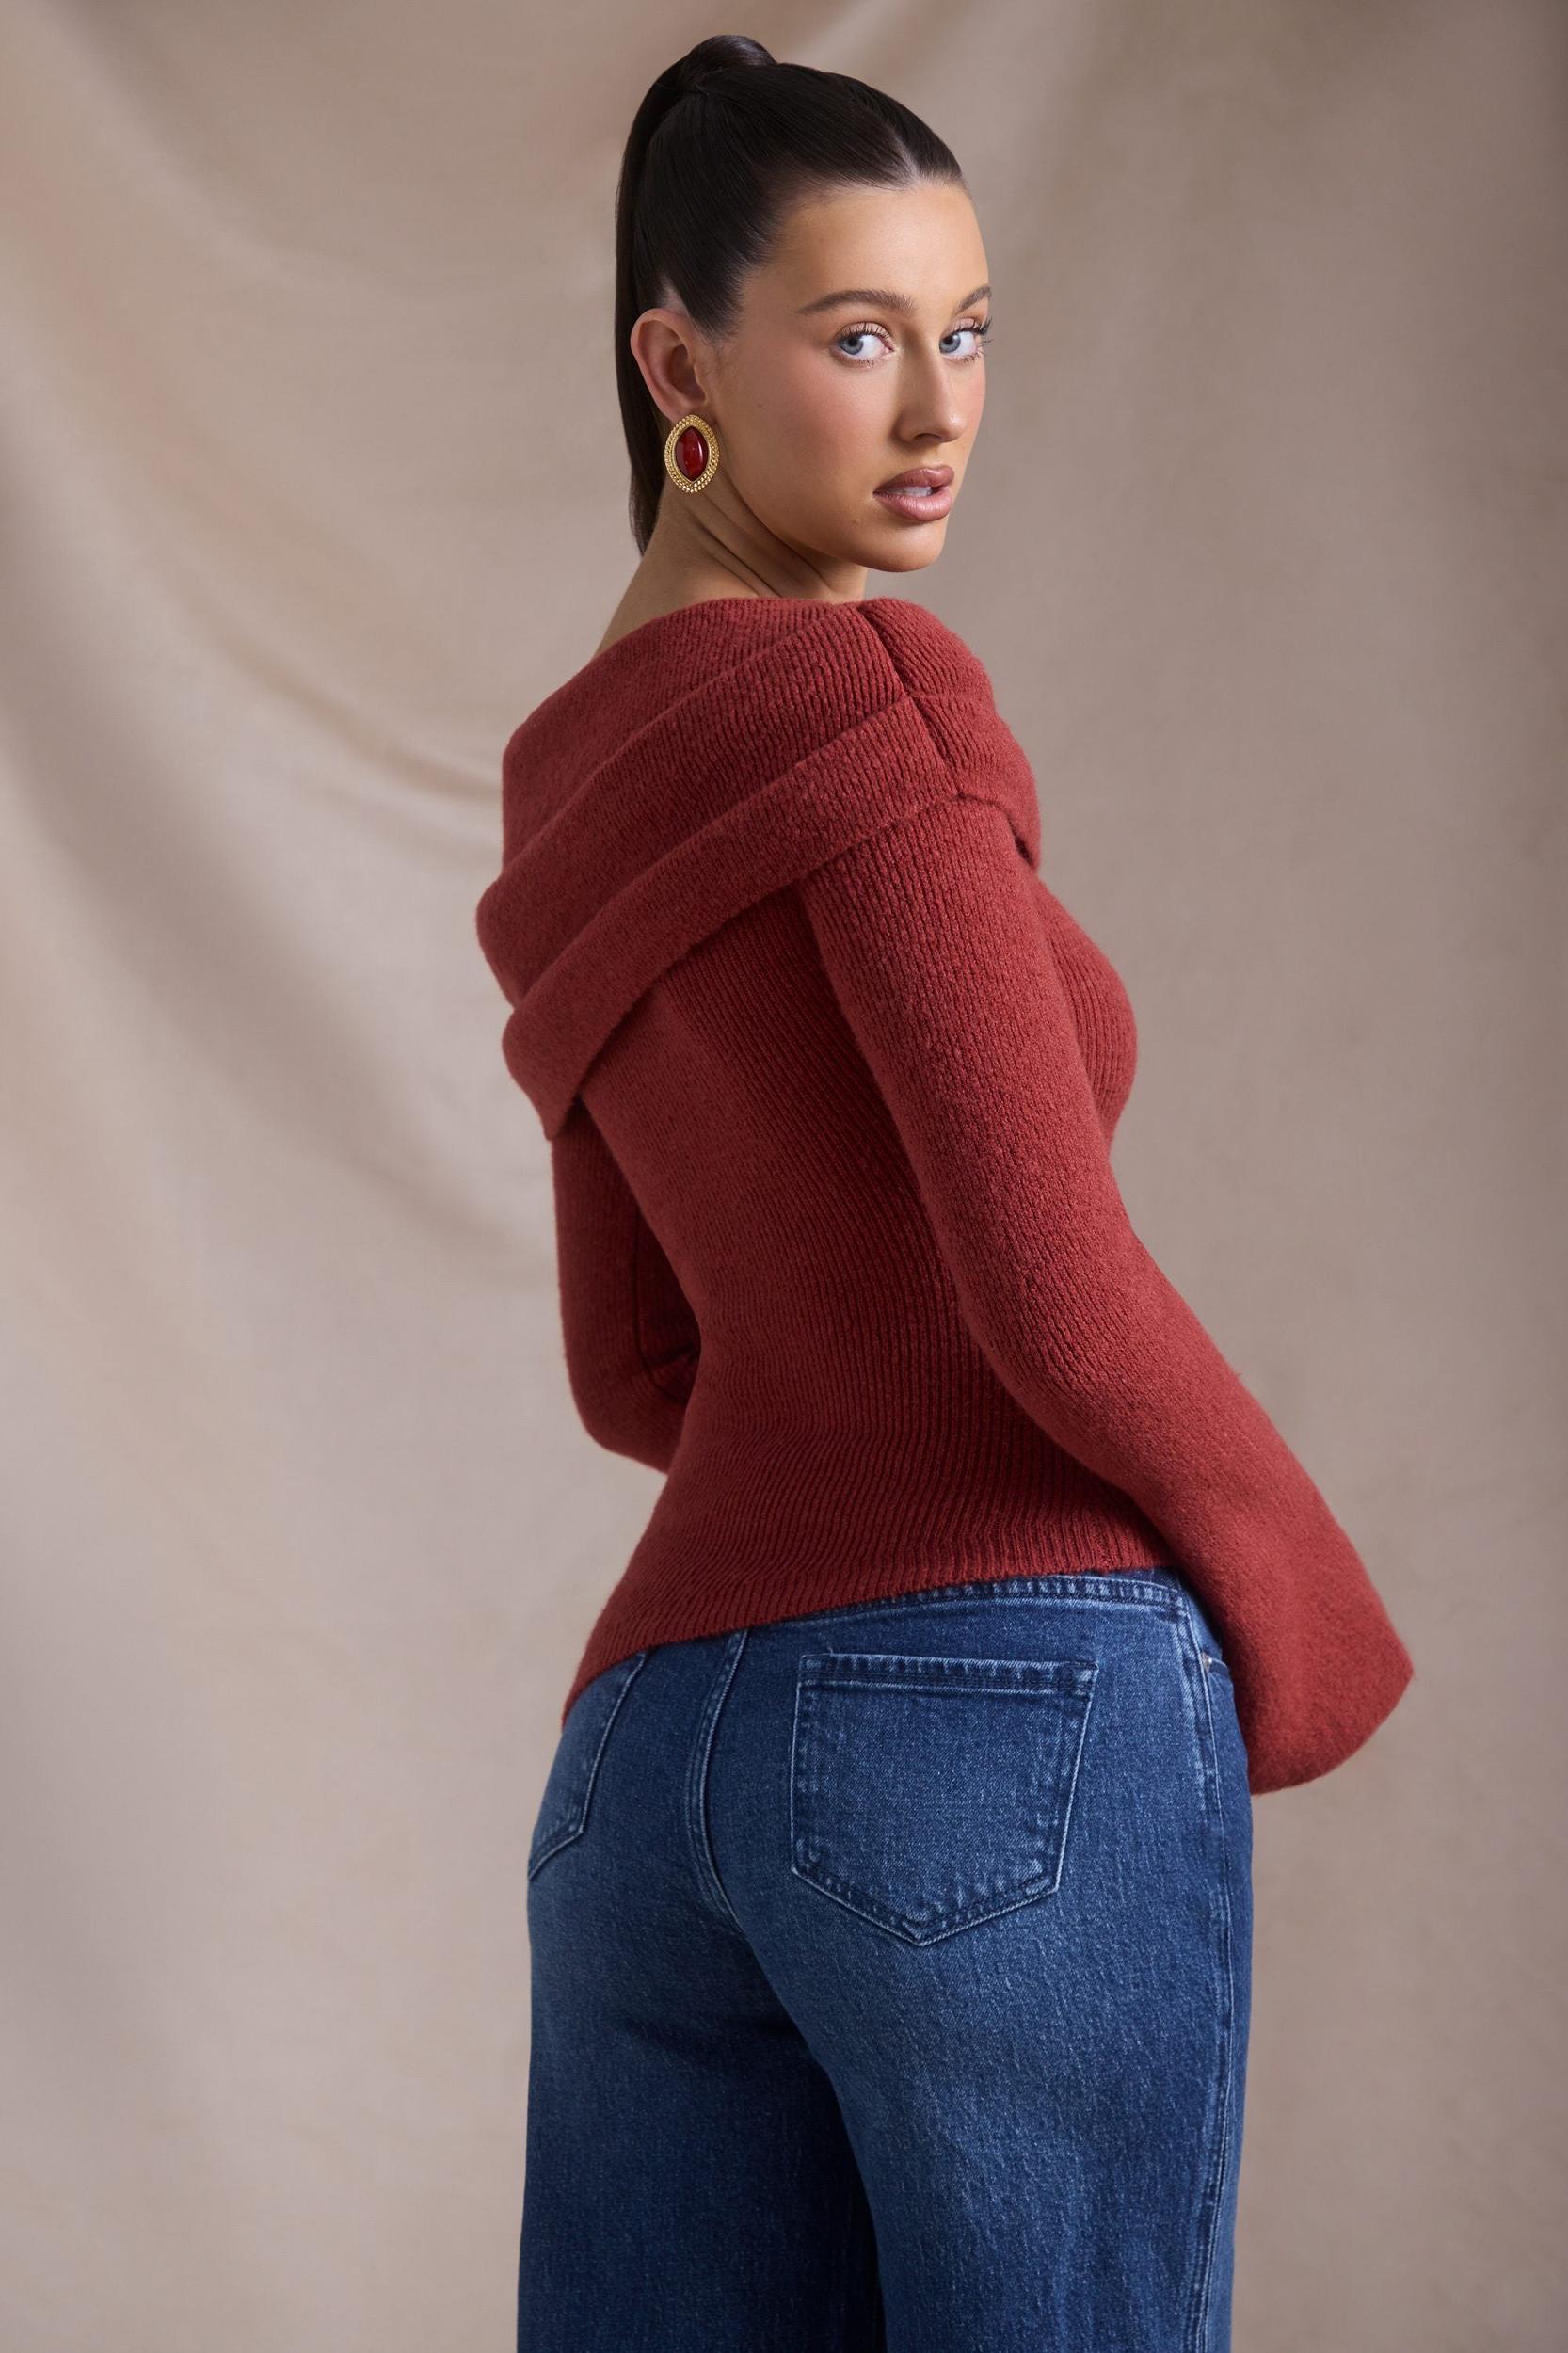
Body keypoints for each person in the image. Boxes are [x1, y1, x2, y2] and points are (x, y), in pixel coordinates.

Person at [473, 34, 1416, 2352]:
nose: (934, 408)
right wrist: (1302, 1614)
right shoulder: (867, 696)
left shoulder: (565, 789)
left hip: (645, 1770)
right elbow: (1048, 1281)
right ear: (676, 370)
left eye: (965, 331)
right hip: (992, 1713)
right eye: (857, 336)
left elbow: (633, 1366)